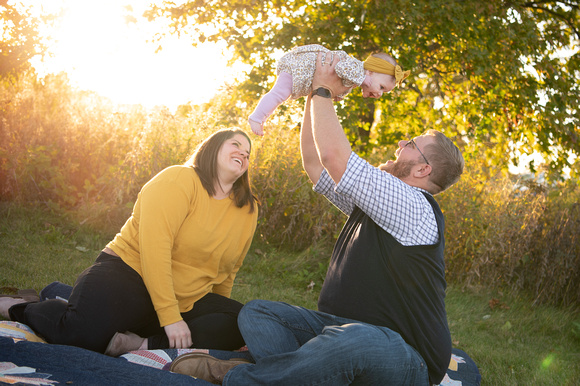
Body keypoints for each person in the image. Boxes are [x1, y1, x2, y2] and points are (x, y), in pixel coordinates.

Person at [169, 53, 464, 385]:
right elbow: (316, 164)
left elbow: (335, 157)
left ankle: (241, 379)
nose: (400, 144)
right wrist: (314, 92)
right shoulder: (381, 203)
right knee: (258, 314)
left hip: (408, 359)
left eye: (410, 144)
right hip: (338, 330)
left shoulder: (414, 205)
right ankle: (302, 374)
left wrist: (326, 91)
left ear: (423, 170)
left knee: (354, 340)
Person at [0, 128, 259, 356]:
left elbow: (227, 271)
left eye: (248, 152)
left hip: (187, 298)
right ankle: (22, 307)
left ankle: (139, 344)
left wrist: (215, 316)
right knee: (79, 335)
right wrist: (170, 318)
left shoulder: (247, 209)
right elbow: (154, 250)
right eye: (236, 144)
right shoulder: (178, 180)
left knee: (243, 321)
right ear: (212, 148)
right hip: (130, 274)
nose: (243, 153)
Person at [248, 43, 410, 136]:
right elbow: (340, 68)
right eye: (381, 87)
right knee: (279, 93)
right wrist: (363, 80)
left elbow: (339, 82)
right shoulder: (355, 67)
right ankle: (257, 117)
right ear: (370, 72)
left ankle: (261, 118)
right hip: (298, 68)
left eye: (384, 92)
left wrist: (337, 95)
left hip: (303, 74)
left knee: (281, 94)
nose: (380, 94)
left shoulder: (354, 79)